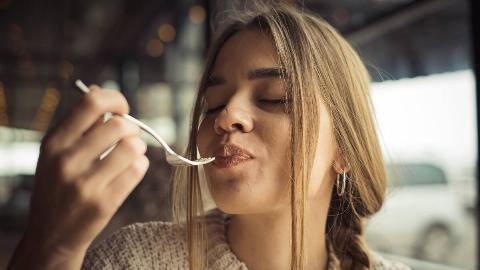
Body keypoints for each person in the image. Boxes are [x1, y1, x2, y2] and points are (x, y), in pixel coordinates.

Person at [7, 2, 411, 270]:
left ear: (345, 149)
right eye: (214, 104)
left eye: (274, 98)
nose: (226, 117)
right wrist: (50, 251)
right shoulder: (133, 260)